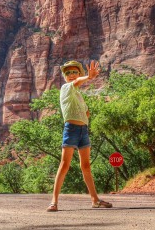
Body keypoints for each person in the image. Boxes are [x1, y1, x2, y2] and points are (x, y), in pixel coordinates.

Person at [47, 59, 112, 212]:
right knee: (64, 165)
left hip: (83, 130)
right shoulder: (66, 88)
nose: (71, 74)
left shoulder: (78, 95)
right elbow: (76, 83)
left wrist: (85, 115)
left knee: (86, 166)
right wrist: (89, 77)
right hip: (71, 129)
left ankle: (95, 200)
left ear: (78, 73)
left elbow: (87, 111)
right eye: (68, 72)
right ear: (65, 76)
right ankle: (53, 202)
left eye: (74, 72)